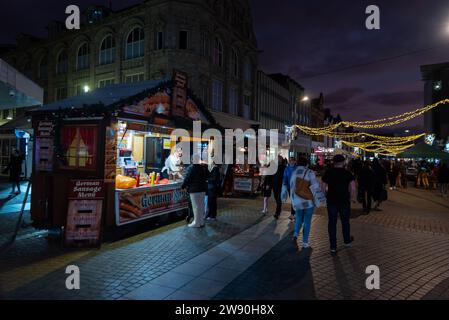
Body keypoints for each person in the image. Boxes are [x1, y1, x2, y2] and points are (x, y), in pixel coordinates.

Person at [322, 154, 356, 254]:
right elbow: (353, 188)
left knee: (332, 223)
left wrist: (325, 195)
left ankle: (333, 246)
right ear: (343, 162)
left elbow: (323, 186)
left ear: (333, 162)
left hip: (332, 200)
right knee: (345, 221)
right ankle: (346, 241)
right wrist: (351, 198)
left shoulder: (328, 172)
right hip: (344, 201)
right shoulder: (347, 173)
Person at [281, 156, 318, 249]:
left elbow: (292, 188)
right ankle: (305, 242)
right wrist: (317, 200)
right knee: (307, 222)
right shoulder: (309, 172)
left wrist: (293, 201)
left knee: (298, 219)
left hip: (297, 202)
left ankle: (295, 235)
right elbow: (315, 187)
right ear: (307, 164)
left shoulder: (294, 173)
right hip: (308, 201)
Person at [182, 154, 208, 228]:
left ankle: (196, 223)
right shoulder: (203, 168)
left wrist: (183, 186)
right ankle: (201, 222)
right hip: (202, 189)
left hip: (194, 190)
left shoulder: (191, 168)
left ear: (192, 160)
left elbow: (187, 178)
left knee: (195, 207)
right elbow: (206, 177)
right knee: (201, 206)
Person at [282, 156, 298, 220]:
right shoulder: (287, 168)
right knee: (292, 200)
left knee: (295, 200)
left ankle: (295, 213)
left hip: (296, 187)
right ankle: (293, 213)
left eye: (292, 160)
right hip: (289, 186)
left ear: (295, 161)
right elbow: (285, 177)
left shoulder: (297, 168)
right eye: (290, 160)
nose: (291, 162)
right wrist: (284, 183)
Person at [272, 155, 286, 219]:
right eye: (277, 159)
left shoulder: (284, 167)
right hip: (274, 185)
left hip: (281, 185)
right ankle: (279, 208)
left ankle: (277, 212)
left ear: (282, 160)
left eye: (279, 159)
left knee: (279, 199)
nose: (278, 160)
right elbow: (270, 176)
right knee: (276, 198)